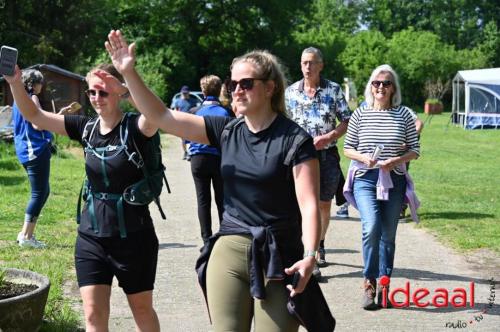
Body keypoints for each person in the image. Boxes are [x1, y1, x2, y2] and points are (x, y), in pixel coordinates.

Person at [105, 29, 326, 331]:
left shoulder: (295, 141)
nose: (236, 90)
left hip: (279, 256)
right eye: (232, 83)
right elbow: (162, 117)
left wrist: (310, 255)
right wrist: (129, 72)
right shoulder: (226, 130)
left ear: (270, 87)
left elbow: (310, 205)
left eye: (246, 83)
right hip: (230, 251)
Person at [4, 63, 161, 331]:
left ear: (118, 93)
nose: (97, 99)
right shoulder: (85, 128)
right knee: (92, 315)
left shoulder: (137, 127)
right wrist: (14, 82)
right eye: (91, 92)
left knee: (142, 310)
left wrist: (126, 84)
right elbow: (35, 116)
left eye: (104, 92)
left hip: (133, 238)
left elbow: (158, 114)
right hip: (91, 237)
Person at [343, 64, 420, 310]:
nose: (380, 87)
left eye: (386, 83)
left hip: (394, 179)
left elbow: (415, 150)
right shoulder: (360, 114)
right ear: (370, 86)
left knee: (388, 234)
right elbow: (347, 148)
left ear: (393, 88)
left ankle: (384, 283)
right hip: (366, 178)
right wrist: (365, 159)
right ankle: (369, 281)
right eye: (376, 83)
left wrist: (395, 161)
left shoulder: (404, 114)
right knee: (372, 225)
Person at [285, 47, 350, 277]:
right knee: (301, 205)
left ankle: (319, 243)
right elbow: (282, 122)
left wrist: (329, 137)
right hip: (299, 157)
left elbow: (347, 120)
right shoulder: (291, 92)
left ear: (321, 65)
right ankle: (307, 252)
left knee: (323, 204)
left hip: (327, 155)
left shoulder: (333, 90)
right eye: (304, 63)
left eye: (312, 63)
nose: (307, 67)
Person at [187, 75, 230, 244]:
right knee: (221, 199)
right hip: (218, 159)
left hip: (198, 159)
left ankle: (206, 239)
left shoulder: (194, 112)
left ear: (202, 90)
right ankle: (224, 236)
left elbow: (186, 137)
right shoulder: (226, 112)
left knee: (203, 200)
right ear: (220, 89)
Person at [11, 69, 52, 248]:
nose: (42, 86)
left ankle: (25, 233)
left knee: (44, 191)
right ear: (34, 84)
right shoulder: (32, 98)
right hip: (35, 149)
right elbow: (38, 123)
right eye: (40, 82)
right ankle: (26, 237)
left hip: (25, 150)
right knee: (38, 193)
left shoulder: (18, 99)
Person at [173, 85, 196, 160]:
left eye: (186, 93)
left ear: (189, 93)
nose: (185, 94)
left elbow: (196, 110)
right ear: (181, 93)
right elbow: (175, 111)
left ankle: (190, 153)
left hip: (191, 122)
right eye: (183, 93)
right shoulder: (178, 101)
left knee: (191, 138)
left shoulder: (193, 101)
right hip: (181, 123)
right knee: (183, 139)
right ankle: (185, 152)